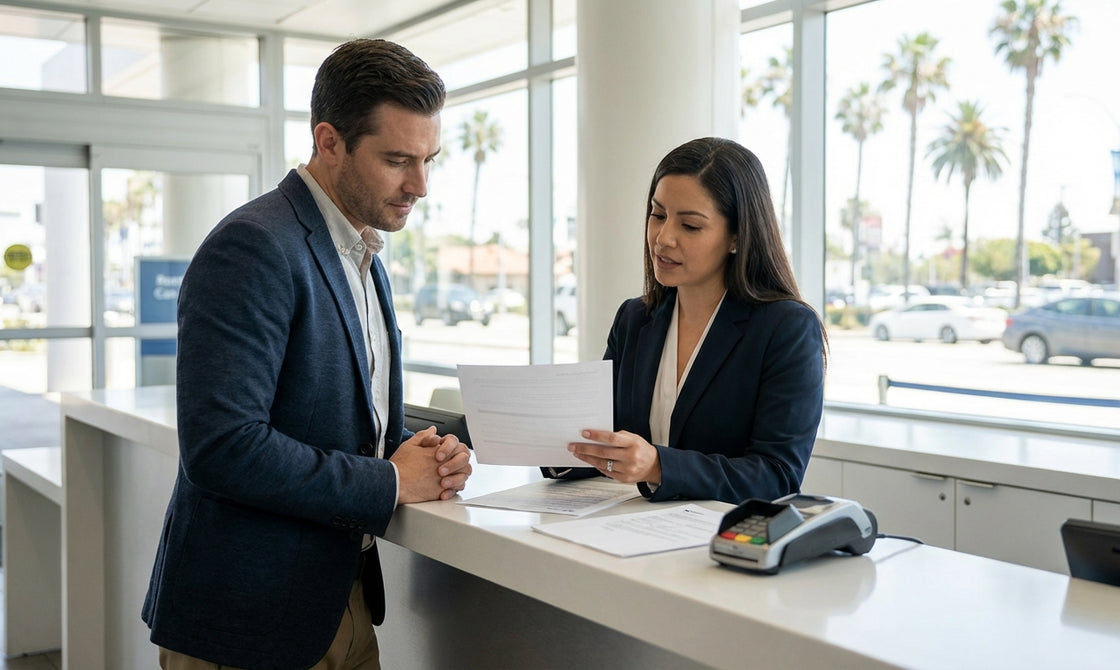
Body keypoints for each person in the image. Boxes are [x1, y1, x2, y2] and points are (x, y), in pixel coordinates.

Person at [142, 39, 472, 670]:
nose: (420, 185)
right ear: (329, 142)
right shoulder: (253, 245)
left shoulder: (360, 252)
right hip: (246, 619)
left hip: (336, 602)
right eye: (399, 159)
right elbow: (223, 447)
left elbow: (338, 413)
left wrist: (421, 448)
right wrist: (393, 479)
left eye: (429, 159)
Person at [553, 137, 827, 504]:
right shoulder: (635, 318)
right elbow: (609, 442)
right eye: (658, 215)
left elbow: (778, 476)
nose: (663, 239)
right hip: (628, 533)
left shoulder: (787, 328)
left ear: (736, 236)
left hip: (719, 542)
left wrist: (658, 466)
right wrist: (554, 445)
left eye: (691, 226)